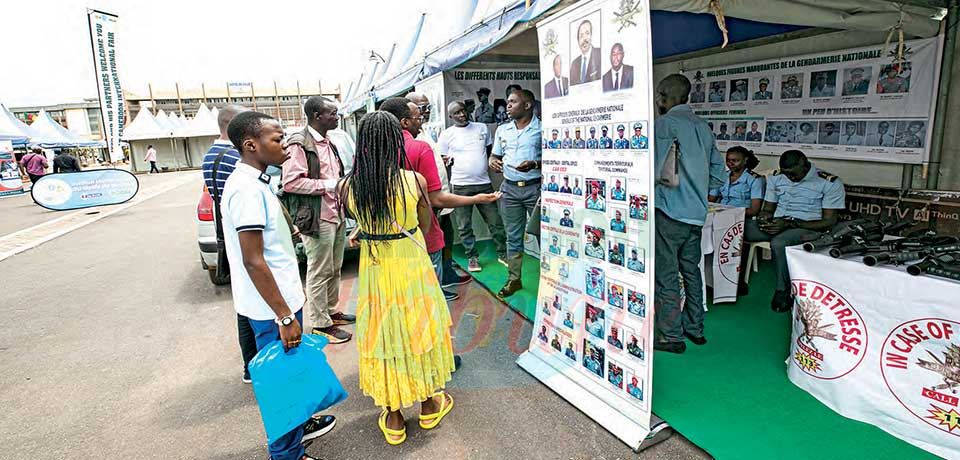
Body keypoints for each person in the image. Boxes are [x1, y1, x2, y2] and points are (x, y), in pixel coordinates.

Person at [221, 111, 336, 460]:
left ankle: (299, 429)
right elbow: (253, 260)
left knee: (290, 376)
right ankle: (287, 454)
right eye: (277, 139)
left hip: (280, 301)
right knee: (280, 385)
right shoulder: (245, 191)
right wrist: (285, 316)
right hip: (272, 309)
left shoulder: (256, 182)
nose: (285, 145)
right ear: (251, 145)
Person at [338, 110, 455, 446]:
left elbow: (363, 219)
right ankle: (430, 404)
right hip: (410, 266)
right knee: (417, 330)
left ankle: (393, 415)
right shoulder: (413, 181)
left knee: (384, 334)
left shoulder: (348, 186)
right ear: (394, 140)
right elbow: (424, 221)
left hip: (375, 269)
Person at [381, 97, 500, 304]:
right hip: (421, 223)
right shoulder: (418, 147)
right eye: (419, 113)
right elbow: (435, 199)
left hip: (391, 234)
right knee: (428, 296)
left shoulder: (375, 148)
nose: (423, 116)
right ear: (404, 121)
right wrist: (475, 198)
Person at [653, 74, 725, 354]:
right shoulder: (703, 127)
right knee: (692, 272)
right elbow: (719, 175)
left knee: (667, 275)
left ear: (663, 95)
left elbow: (654, 170)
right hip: (696, 215)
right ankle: (695, 329)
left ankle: (671, 336)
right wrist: (698, 190)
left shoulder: (665, 124)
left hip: (669, 213)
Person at [282, 96, 355, 344]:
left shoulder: (329, 142)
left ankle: (332, 312)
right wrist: (329, 185)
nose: (336, 117)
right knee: (319, 271)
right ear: (317, 116)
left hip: (336, 213)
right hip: (317, 217)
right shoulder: (299, 144)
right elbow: (291, 182)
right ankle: (321, 324)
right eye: (332, 113)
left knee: (334, 267)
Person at [199, 104, 260, 384]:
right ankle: (254, 366)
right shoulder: (232, 158)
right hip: (244, 234)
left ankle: (251, 366)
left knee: (245, 303)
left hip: (230, 234)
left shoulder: (212, 154)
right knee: (252, 306)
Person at [743, 150, 845, 312]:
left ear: (804, 164)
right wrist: (764, 218)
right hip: (778, 224)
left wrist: (789, 223)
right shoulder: (777, 177)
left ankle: (783, 290)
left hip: (806, 227)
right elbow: (768, 209)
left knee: (779, 243)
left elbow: (828, 222)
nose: (790, 178)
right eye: (786, 174)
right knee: (738, 228)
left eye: (793, 174)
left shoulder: (829, 182)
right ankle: (734, 279)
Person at [408, 92, 471, 297]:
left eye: (428, 108)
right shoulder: (411, 134)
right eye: (422, 109)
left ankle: (447, 274)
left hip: (441, 197)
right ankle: (435, 289)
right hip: (428, 202)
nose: (426, 113)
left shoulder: (423, 131)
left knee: (446, 239)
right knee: (431, 244)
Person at [438, 101, 508, 273]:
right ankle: (472, 257)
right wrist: (448, 161)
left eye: (463, 111)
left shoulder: (482, 128)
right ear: (450, 117)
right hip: (460, 186)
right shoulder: (447, 135)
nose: (461, 115)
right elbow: (442, 159)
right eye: (457, 113)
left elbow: (490, 151)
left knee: (495, 221)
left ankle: (503, 253)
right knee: (464, 225)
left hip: (484, 183)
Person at [488, 89, 541, 297]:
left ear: (527, 105)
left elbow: (557, 159)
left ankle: (553, 280)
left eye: (513, 102)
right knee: (513, 236)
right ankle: (514, 279)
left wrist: (535, 164)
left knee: (545, 235)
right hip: (509, 189)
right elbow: (494, 156)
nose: (508, 105)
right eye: (508, 101)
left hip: (535, 188)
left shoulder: (543, 128)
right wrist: (492, 162)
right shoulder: (503, 129)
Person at [708, 146, 764, 218]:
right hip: (719, 215)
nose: (730, 163)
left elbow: (753, 210)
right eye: (728, 160)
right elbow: (711, 200)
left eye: (735, 160)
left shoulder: (755, 180)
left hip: (741, 218)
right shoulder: (722, 176)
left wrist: (727, 213)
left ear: (745, 160)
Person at [570, 19, 601, 85]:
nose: (584, 39)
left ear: (591, 35)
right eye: (581, 36)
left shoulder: (600, 54)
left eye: (587, 33)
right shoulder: (574, 64)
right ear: (578, 41)